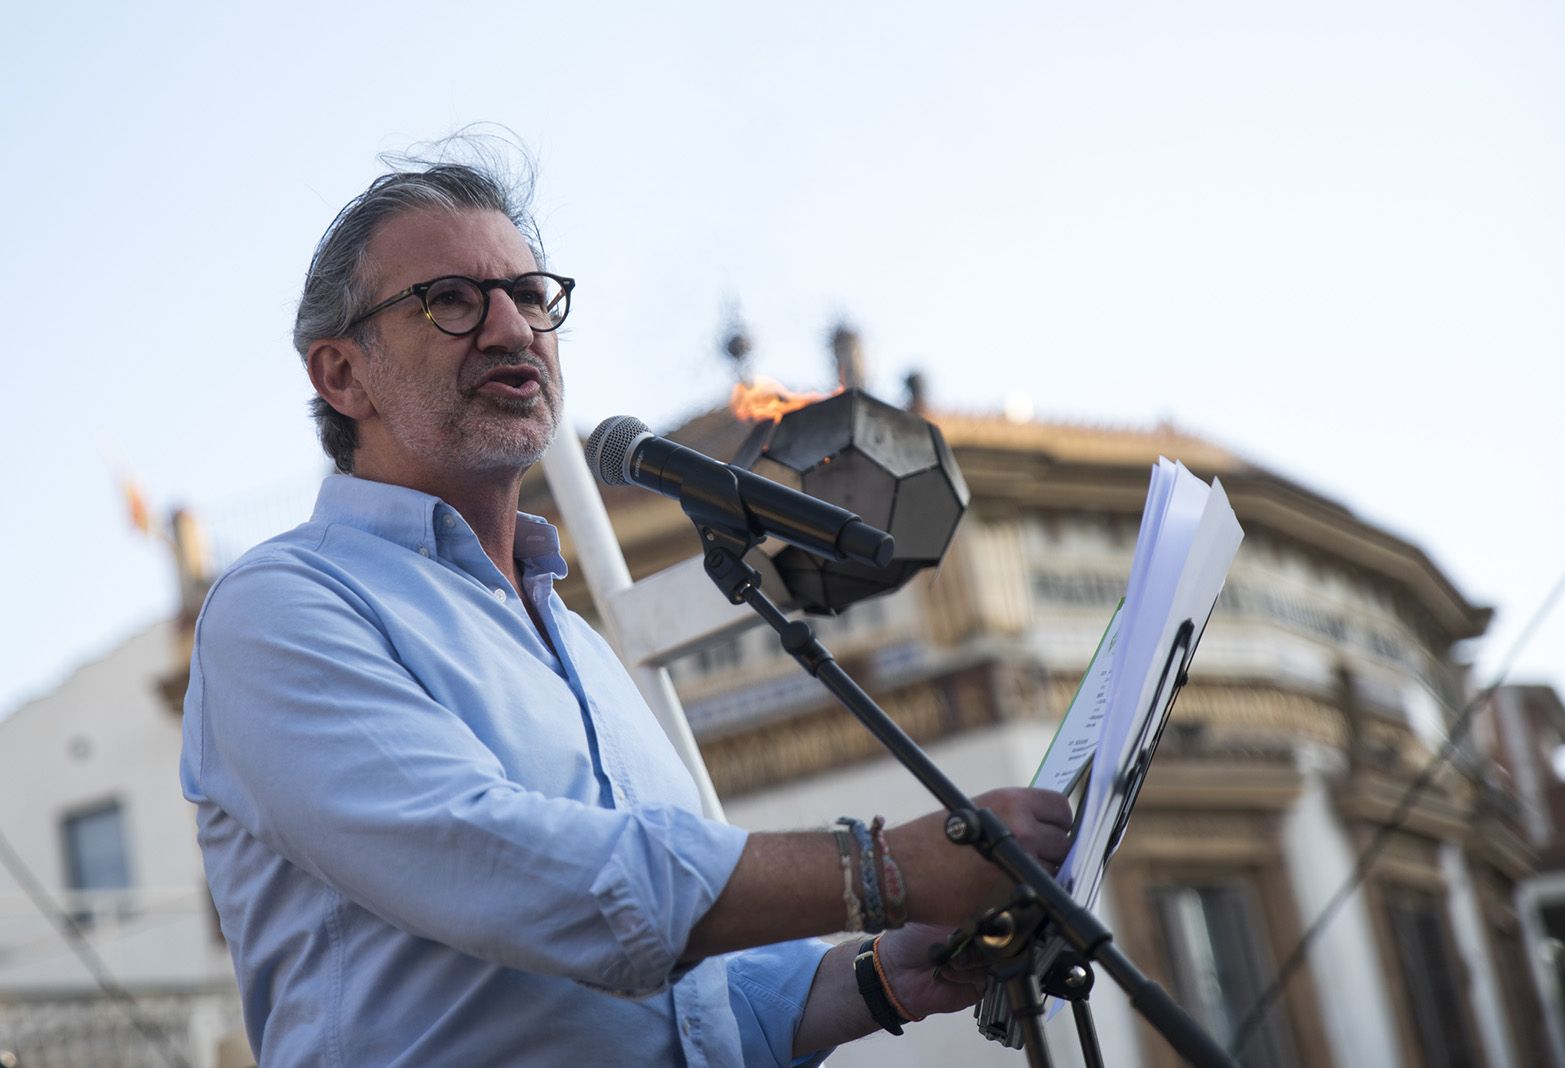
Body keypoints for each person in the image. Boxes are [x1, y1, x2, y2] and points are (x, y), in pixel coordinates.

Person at [179, 150, 1074, 1066]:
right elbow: (522, 877)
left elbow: (696, 1016)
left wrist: (878, 975)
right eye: (451, 299)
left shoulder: (584, 650)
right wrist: (889, 870)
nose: (510, 329)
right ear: (341, 375)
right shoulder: (283, 609)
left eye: (529, 295)